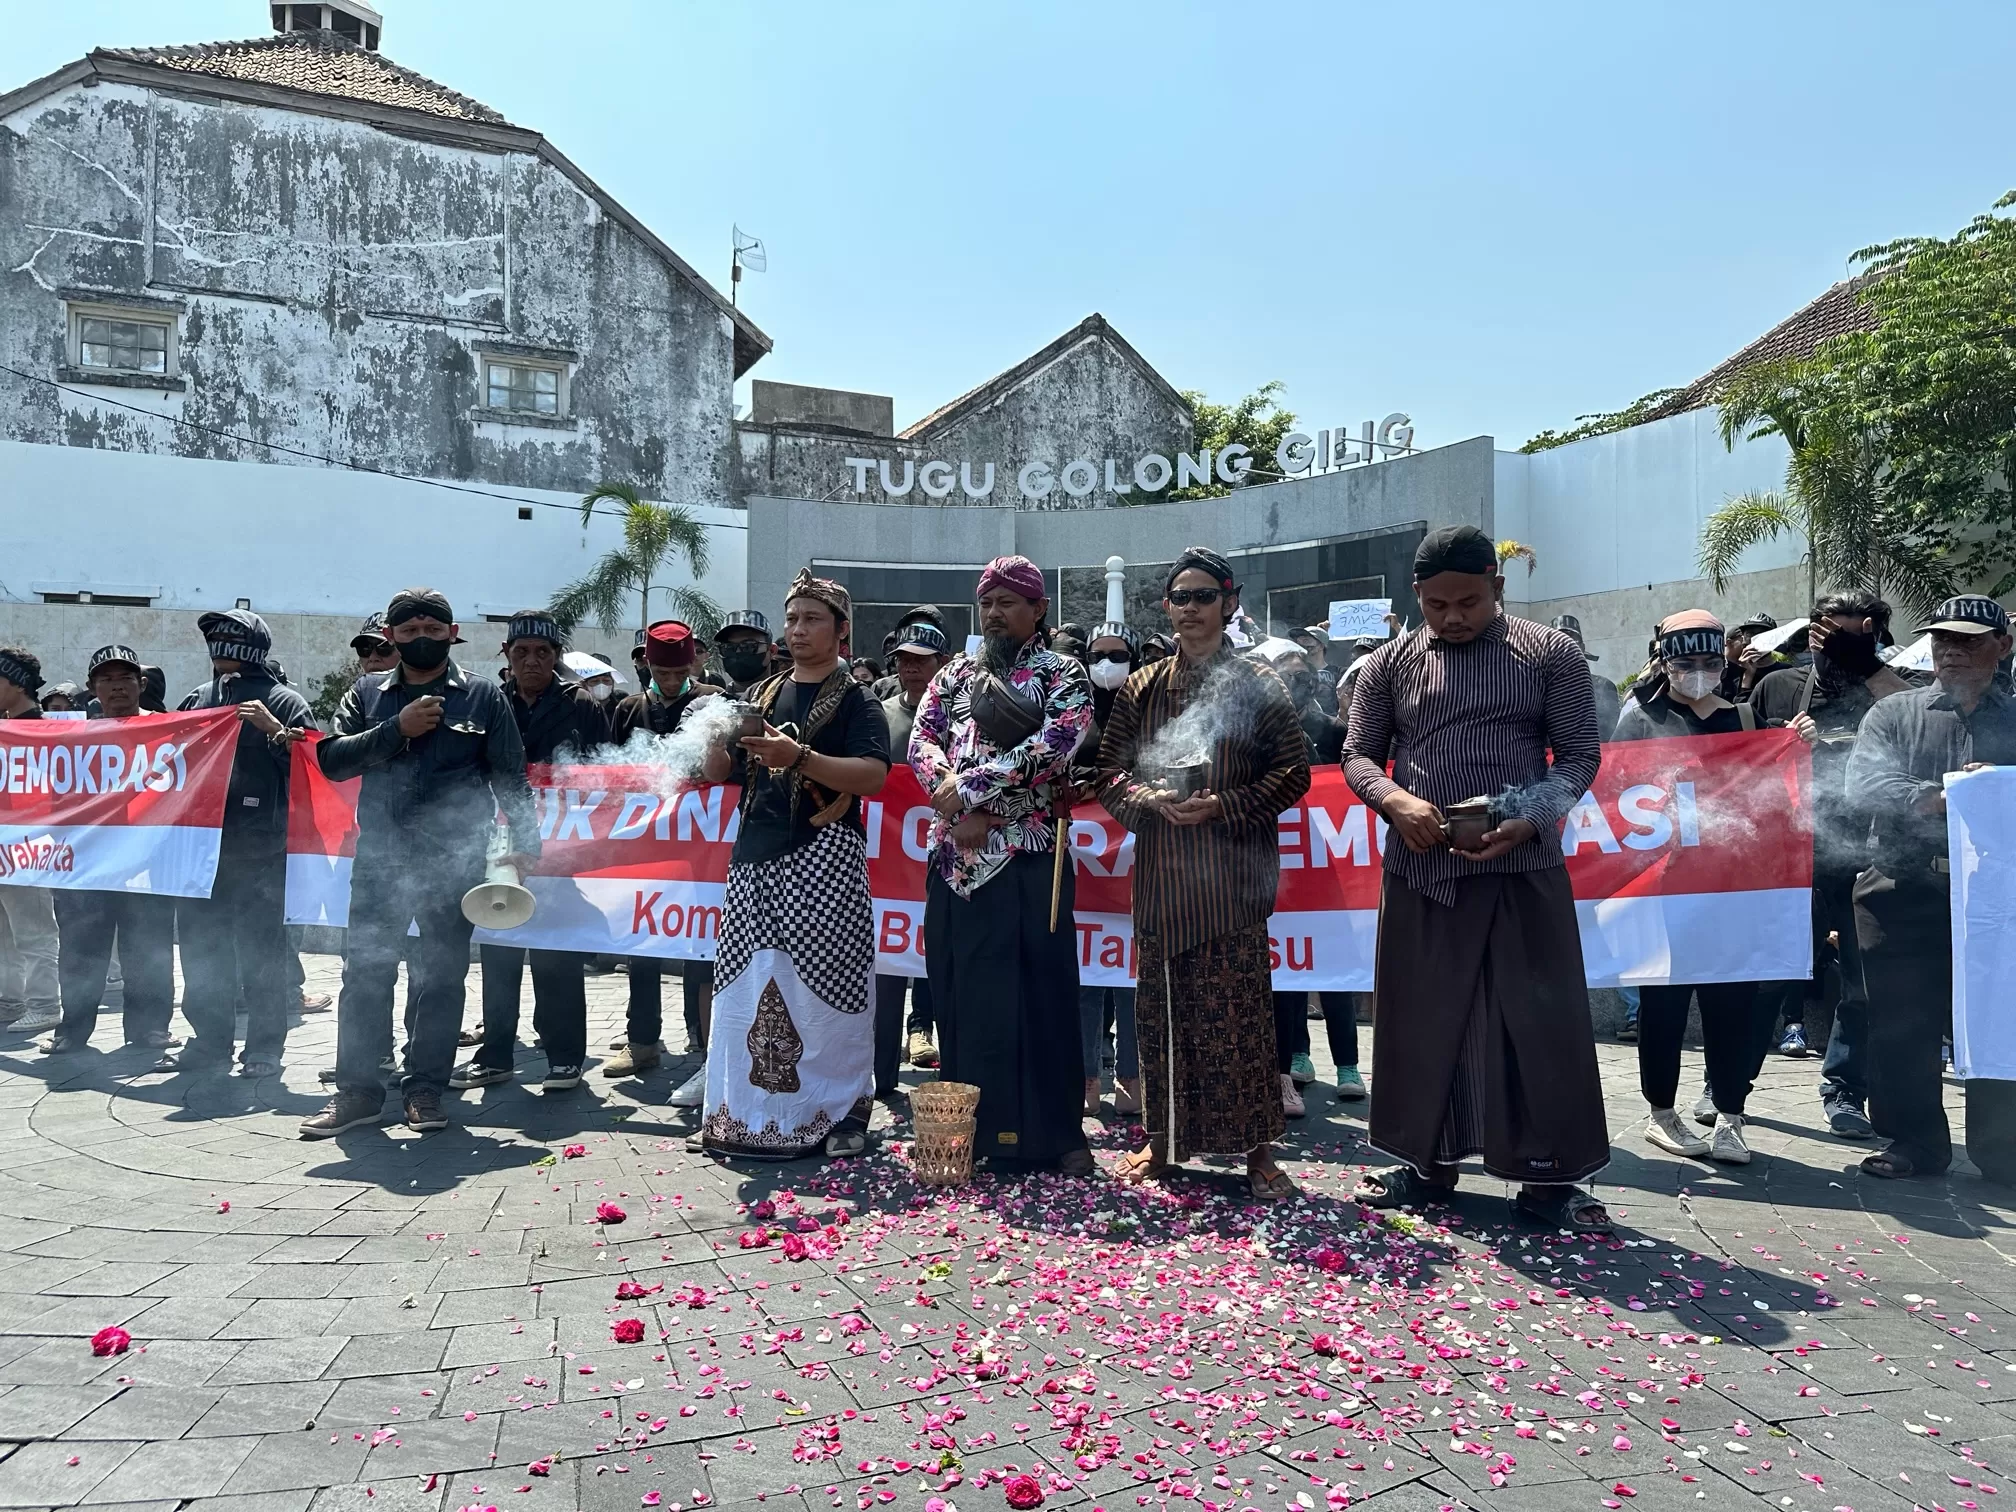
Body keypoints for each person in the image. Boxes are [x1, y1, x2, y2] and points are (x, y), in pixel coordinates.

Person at [1342, 524, 1611, 1230]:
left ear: (1497, 585)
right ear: (1416, 598)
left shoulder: (1548, 653)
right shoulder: (1387, 664)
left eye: (1468, 601)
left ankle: (1549, 1178)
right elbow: (1359, 757)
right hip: (1422, 868)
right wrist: (1396, 801)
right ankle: (1425, 1168)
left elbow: (1580, 757)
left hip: (1523, 867)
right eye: (1437, 606)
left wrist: (1529, 818)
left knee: (1534, 1024)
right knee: (1426, 1022)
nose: (1453, 618)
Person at [1097, 548, 1311, 1199]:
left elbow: (1294, 773)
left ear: (1230, 602)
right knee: (1161, 1022)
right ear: (1167, 606)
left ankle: (1258, 1156)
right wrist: (1151, 802)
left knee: (1242, 1025)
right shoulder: (1142, 687)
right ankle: (1161, 1146)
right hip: (1164, 884)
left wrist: (1223, 804)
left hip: (1231, 887)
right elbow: (1107, 774)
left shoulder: (1258, 684)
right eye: (1180, 596)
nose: (1191, 607)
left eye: (1203, 595)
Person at [300, 589, 538, 1138]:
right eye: (409, 632)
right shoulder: (364, 694)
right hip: (380, 860)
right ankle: (358, 1093)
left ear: (453, 633)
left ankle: (426, 1088)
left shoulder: (482, 696)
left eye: (434, 629)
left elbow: (511, 776)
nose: (422, 639)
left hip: (453, 863)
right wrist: (396, 730)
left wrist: (526, 842)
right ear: (391, 637)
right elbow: (332, 761)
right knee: (364, 975)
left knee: (440, 977)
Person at [690, 571, 889, 1159]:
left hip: (823, 858)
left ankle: (842, 1112)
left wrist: (798, 756)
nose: (798, 630)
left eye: (812, 619)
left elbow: (873, 776)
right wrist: (714, 736)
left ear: (841, 630)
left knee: (830, 985)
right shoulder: (761, 694)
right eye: (792, 619)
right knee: (747, 983)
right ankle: (746, 1112)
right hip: (754, 858)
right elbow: (719, 774)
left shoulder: (857, 697)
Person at [912, 556, 1095, 1175]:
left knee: (1041, 995)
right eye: (987, 602)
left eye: (1009, 602)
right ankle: (970, 1132)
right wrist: (943, 783)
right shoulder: (955, 674)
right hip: (956, 865)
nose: (994, 613)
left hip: (1030, 861)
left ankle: (1057, 1135)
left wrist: (970, 792)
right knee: (963, 996)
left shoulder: (1062, 673)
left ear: (1039, 610)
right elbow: (922, 738)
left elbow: (1056, 744)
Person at [1846, 595, 2016, 1182]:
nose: (1951, 650)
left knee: (1999, 1018)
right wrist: (1942, 795)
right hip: (1902, 888)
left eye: (1969, 640)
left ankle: (2003, 1152)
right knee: (1901, 1020)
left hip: (1996, 899)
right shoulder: (1894, 713)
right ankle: (1912, 1142)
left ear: (2004, 646)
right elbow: (1865, 784)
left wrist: (1995, 786)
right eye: (1943, 639)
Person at [1749, 589, 1911, 1132]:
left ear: (1871, 630)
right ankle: (1727, 1087)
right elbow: (1740, 760)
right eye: (1822, 626)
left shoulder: (1886, 690)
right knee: (1765, 973)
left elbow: (1915, 714)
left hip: (1864, 855)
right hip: (1787, 854)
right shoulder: (1779, 684)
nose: (1828, 637)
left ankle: (1843, 1089)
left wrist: (1861, 664)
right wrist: (1782, 742)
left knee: (1862, 981)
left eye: (1847, 629)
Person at [1613, 611, 1764, 1164]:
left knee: (1733, 1005)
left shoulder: (1746, 718)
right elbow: (1615, 794)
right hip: (1664, 887)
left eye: (1708, 663)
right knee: (1663, 1004)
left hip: (1733, 888)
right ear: (1663, 663)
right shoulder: (1640, 720)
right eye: (1685, 664)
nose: (1697, 674)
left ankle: (1730, 1115)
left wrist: (1796, 746)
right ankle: (1662, 1113)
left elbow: (1774, 794)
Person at [454, 612, 609, 1094]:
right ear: (506, 655)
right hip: (498, 844)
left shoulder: (582, 703)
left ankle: (564, 1055)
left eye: (542, 652)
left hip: (560, 848)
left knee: (555, 951)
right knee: (499, 946)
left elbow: (605, 773)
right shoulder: (489, 701)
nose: (532, 661)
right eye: (521, 652)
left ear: (557, 656)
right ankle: (496, 1052)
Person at [162, 611, 314, 1076]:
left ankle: (265, 1048)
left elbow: (314, 769)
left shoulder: (286, 703)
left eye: (234, 636)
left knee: (263, 954)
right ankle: (209, 1042)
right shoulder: (197, 699)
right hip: (203, 853)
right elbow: (170, 767)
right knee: (201, 951)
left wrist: (274, 731)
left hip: (264, 854)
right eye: (215, 636)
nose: (222, 644)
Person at [40, 646, 180, 1055]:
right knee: (81, 951)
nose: (117, 686)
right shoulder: (72, 738)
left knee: (148, 950)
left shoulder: (169, 730)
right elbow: (53, 796)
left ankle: (150, 1028)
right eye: (106, 679)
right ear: (91, 689)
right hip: (86, 863)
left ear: (141, 684)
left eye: (125, 678)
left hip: (145, 864)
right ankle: (73, 1029)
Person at [1255, 641, 1368, 1106]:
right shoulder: (1260, 729)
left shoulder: (1330, 730)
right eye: (1285, 671)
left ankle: (1348, 1064)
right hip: (1277, 866)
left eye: (1302, 672)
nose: (1295, 679)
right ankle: (1295, 1057)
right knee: (1287, 970)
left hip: (1328, 861)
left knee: (1334, 962)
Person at [607, 620, 712, 1085]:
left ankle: (704, 1041)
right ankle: (642, 1041)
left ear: (692, 665)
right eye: (661, 674)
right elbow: (607, 778)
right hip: (646, 850)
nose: (670, 682)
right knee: (642, 945)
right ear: (647, 665)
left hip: (701, 850)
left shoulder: (710, 703)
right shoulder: (628, 709)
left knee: (701, 948)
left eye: (678, 673)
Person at [874, 620, 950, 1087]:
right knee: (885, 971)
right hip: (886, 863)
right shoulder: (879, 714)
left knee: (938, 963)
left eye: (922, 660)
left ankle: (935, 1052)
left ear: (941, 664)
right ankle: (880, 1075)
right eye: (904, 660)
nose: (911, 668)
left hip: (942, 856)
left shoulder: (962, 717)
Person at [1079, 623, 1142, 1116]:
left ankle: (1131, 1076)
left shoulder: (1147, 708)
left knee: (1130, 977)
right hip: (1083, 863)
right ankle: (1086, 1077)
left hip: (1136, 859)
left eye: (1117, 654)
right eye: (1096, 655)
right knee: (1085, 978)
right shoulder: (1074, 713)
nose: (1106, 663)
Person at [0, 646, 61, 1036]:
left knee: (34, 929)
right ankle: (11, 999)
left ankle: (45, 1004)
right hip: (5, 844)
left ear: (17, 684)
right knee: (5, 931)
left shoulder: (47, 731)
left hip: (30, 847)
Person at [1551, 614, 1623, 741]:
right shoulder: (1539, 690)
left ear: (1582, 648)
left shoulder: (1603, 687)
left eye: (1571, 643)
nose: (1565, 650)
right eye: (1558, 644)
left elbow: (1611, 737)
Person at [1719, 612, 1779, 703]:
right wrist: (1746, 677)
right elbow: (1733, 712)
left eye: (1763, 634)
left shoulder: (1784, 672)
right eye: (1750, 634)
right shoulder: (1730, 674)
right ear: (1743, 638)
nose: (1756, 639)